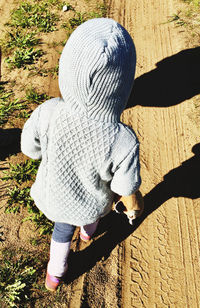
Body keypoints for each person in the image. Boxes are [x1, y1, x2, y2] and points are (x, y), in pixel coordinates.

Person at [21, 18, 144, 292]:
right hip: (91, 203)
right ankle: (88, 233)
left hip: (54, 196)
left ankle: (55, 275)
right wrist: (135, 203)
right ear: (124, 84)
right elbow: (125, 187)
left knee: (61, 232)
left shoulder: (49, 111)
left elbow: (29, 149)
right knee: (88, 216)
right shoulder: (123, 139)